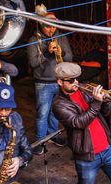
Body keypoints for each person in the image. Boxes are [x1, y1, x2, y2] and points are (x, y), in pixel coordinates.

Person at [27, 11, 72, 154]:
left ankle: (53, 135)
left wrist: (61, 52)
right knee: (42, 113)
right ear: (41, 26)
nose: (51, 30)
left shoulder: (61, 37)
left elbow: (70, 57)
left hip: (58, 81)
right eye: (47, 27)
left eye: (53, 27)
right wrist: (47, 52)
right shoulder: (33, 41)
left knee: (54, 112)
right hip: (43, 82)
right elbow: (33, 63)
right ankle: (40, 140)